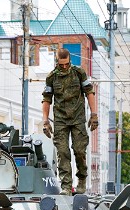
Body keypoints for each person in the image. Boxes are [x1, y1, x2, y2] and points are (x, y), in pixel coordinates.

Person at [41, 48, 98, 195]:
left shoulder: (79, 73)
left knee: (79, 150)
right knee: (62, 152)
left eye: (66, 64)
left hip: (78, 119)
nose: (64, 67)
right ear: (57, 63)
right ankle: (66, 186)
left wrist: (94, 114)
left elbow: (89, 92)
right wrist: (45, 121)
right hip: (60, 120)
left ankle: (82, 180)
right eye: (61, 65)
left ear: (70, 61)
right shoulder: (51, 78)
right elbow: (47, 99)